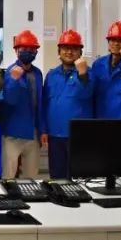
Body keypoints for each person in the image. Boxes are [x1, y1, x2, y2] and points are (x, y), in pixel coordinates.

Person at [40, 29, 93, 179]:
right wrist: (44, 129)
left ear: (80, 52)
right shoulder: (51, 75)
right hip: (55, 135)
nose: (69, 52)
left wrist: (82, 74)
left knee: (79, 177)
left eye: (74, 49)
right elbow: (45, 103)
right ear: (59, 51)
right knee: (57, 177)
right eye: (65, 48)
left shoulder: (88, 73)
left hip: (79, 135)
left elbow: (86, 93)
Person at [0, 30, 44, 178]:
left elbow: (40, 103)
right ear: (16, 50)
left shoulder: (37, 73)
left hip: (33, 132)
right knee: (8, 176)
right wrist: (14, 80)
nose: (28, 52)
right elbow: (10, 100)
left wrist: (42, 129)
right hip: (12, 133)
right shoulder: (9, 72)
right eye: (24, 49)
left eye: (32, 49)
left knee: (31, 176)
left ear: (36, 52)